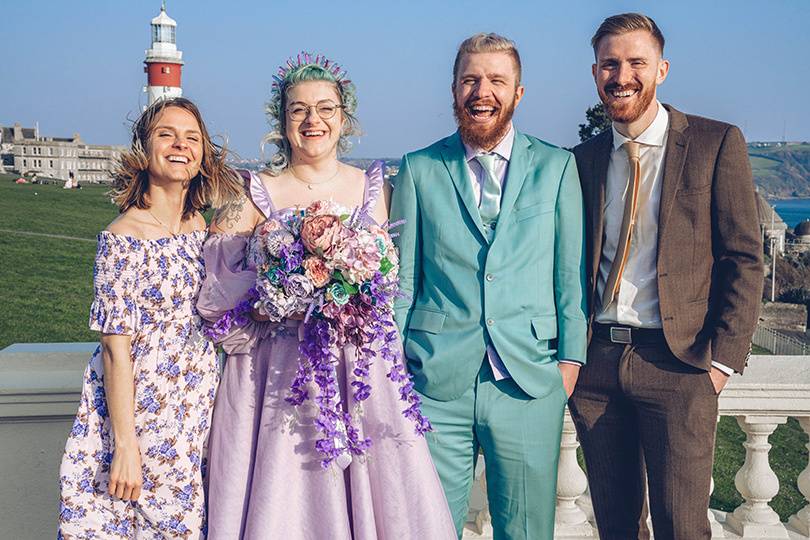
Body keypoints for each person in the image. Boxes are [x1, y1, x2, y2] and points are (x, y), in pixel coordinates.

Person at [196, 53, 456, 539]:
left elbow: (394, 276)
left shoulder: (376, 188)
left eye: (325, 109)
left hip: (362, 371)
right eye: (298, 110)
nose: (312, 120)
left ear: (344, 119)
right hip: (279, 375)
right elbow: (215, 298)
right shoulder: (253, 192)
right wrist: (275, 296)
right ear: (282, 121)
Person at [568, 13, 764, 540]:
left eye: (636, 62)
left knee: (683, 527)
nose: (622, 75)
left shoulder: (714, 143)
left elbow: (744, 257)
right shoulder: (581, 161)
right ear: (595, 73)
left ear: (662, 69)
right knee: (614, 525)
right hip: (598, 366)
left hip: (679, 365)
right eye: (610, 64)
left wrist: (720, 361)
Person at [390, 33, 588, 539]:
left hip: (527, 380)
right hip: (435, 381)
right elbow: (404, 283)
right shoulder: (419, 169)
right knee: (426, 528)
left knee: (525, 531)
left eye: (497, 80)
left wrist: (568, 366)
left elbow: (569, 277)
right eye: (471, 79)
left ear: (518, 93)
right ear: (454, 90)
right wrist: (393, 369)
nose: (483, 90)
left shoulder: (557, 167)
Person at [58, 97, 243, 538]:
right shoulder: (122, 237)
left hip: (191, 410)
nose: (181, 145)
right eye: (167, 134)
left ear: (203, 156)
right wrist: (125, 446)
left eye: (192, 137)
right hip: (136, 412)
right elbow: (114, 349)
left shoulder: (204, 229)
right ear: (145, 148)